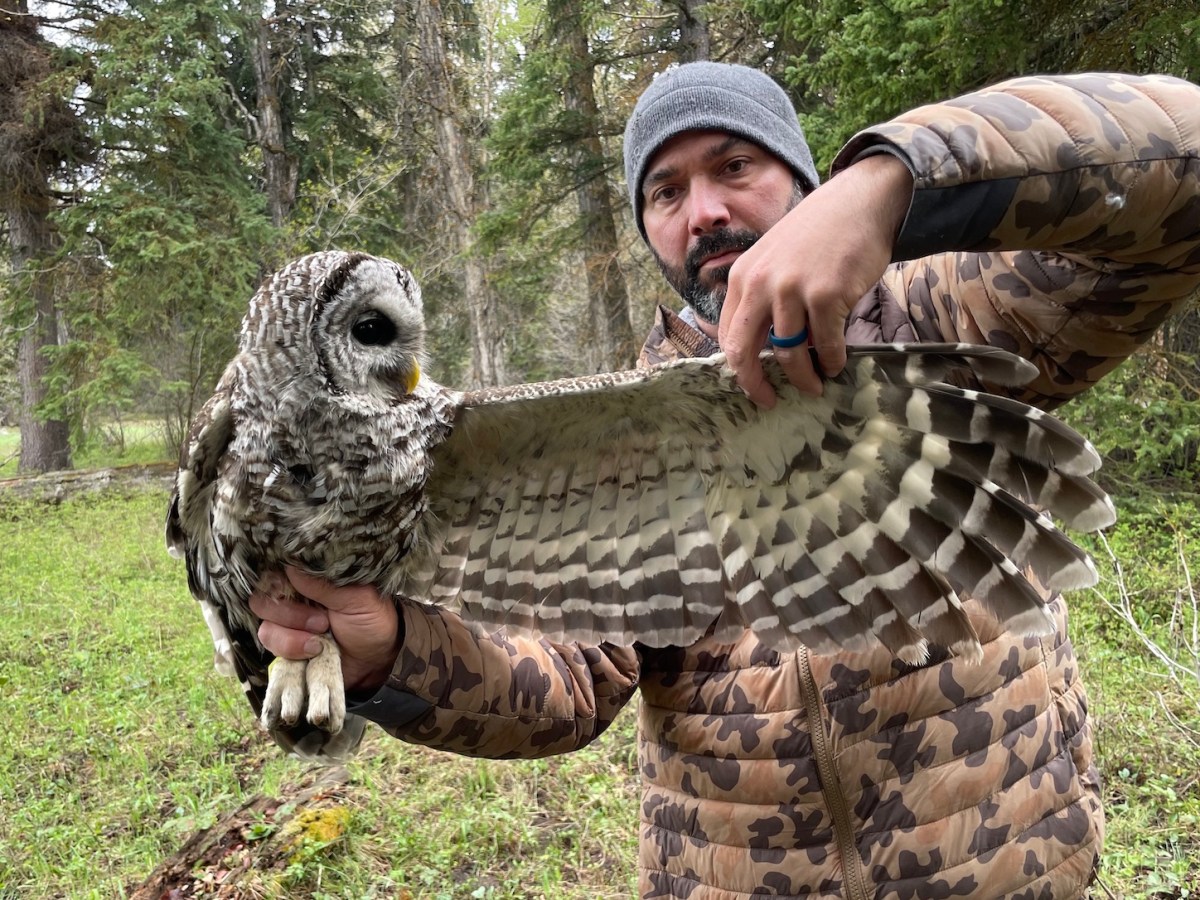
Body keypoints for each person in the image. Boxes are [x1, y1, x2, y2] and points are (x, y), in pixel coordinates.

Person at [250, 63, 1200, 898]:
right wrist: (395, 651)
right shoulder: (615, 434)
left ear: (803, 179)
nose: (701, 210)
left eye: (734, 166)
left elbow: (1183, 161)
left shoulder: (950, 313)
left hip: (997, 868)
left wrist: (893, 181)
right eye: (665, 192)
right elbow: (573, 680)